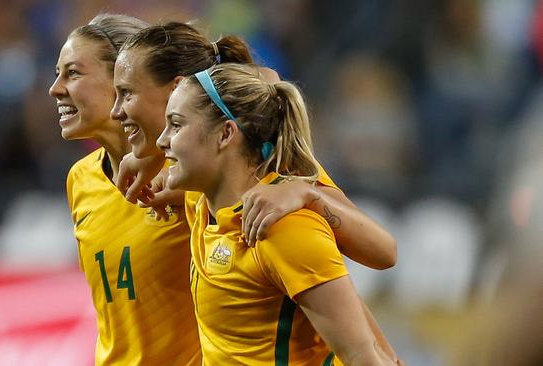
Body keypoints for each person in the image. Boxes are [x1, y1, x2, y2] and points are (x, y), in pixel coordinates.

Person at [156, 62, 396, 365]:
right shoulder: (203, 204)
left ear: (226, 134)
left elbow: (362, 355)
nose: (161, 140)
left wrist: (309, 193)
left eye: (176, 125)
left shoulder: (285, 228)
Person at [111, 21, 397, 270]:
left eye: (126, 93)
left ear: (177, 88)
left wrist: (306, 194)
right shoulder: (191, 169)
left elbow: (384, 252)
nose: (117, 110)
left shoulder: (264, 161)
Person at [48, 14, 201, 365]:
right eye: (57, 74)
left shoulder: (193, 170)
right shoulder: (80, 179)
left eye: (73, 73)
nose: (55, 88)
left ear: (122, 78)